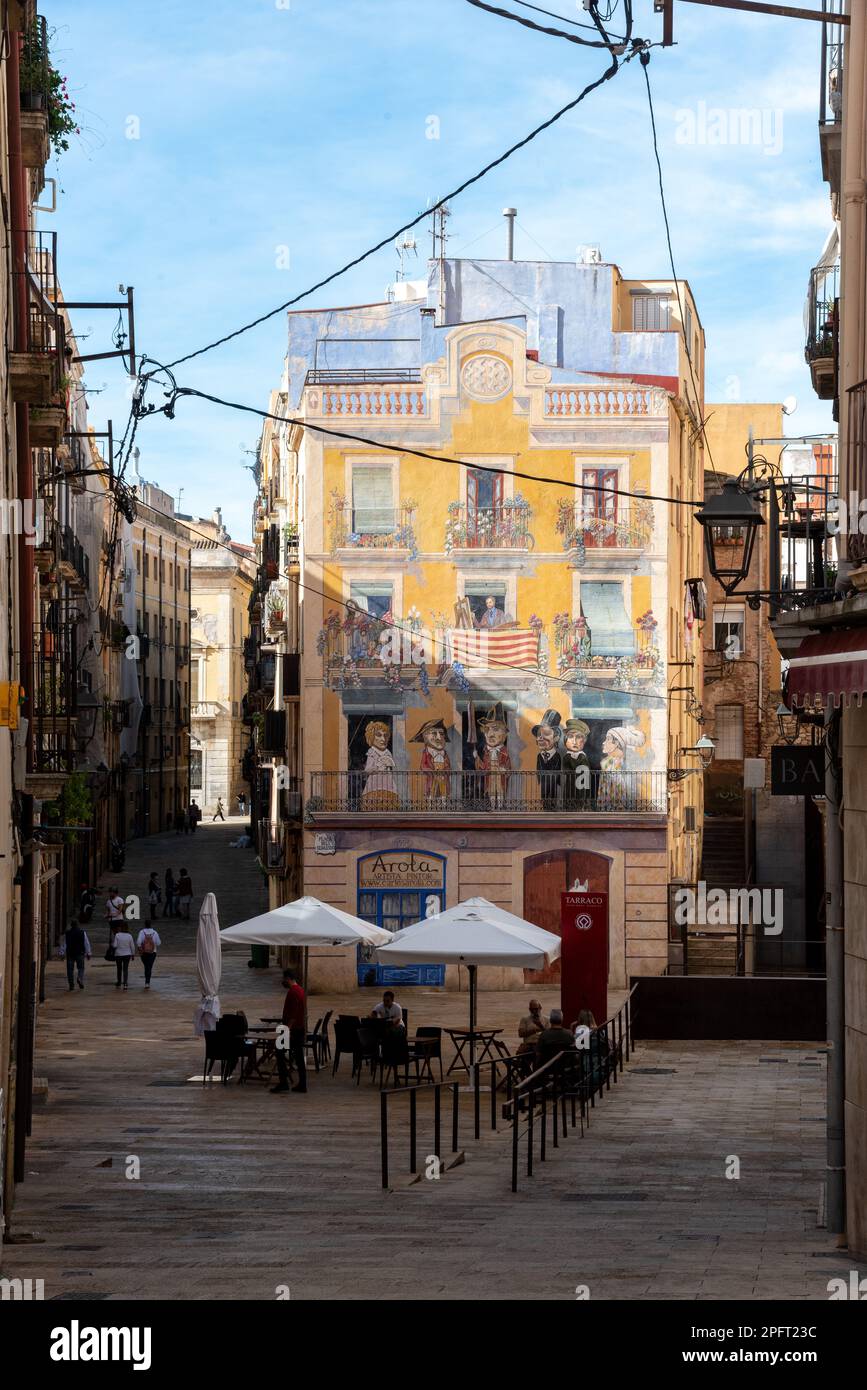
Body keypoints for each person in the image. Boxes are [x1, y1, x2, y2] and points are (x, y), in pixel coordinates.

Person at [270, 968, 307, 1094]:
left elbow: (293, 1014)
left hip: (292, 1030)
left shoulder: (293, 992)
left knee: (279, 1052)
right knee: (299, 1057)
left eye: (284, 979)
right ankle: (302, 1083)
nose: (283, 981)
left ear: (288, 978)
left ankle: (283, 1082)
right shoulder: (301, 990)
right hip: (299, 1029)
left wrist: (288, 1030)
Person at [533, 709, 563, 810]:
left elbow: (558, 771)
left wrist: (556, 780)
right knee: (544, 796)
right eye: (538, 735)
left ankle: (552, 807)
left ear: (556, 738)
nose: (540, 738)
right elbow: (538, 769)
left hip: (553, 783)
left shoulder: (557, 755)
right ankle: (545, 807)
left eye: (546, 734)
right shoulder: (539, 756)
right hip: (544, 783)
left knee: (553, 795)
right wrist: (539, 778)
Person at [561, 718, 591, 810]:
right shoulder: (567, 757)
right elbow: (565, 770)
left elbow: (585, 775)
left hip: (581, 789)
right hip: (569, 787)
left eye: (578, 737)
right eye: (570, 736)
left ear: (584, 740)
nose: (574, 741)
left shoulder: (583, 757)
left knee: (579, 805)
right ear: (565, 740)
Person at [62, 918, 92, 991]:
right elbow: (86, 943)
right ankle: (79, 978)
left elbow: (64, 944)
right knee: (81, 968)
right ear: (78, 925)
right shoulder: (82, 932)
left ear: (71, 925)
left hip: (70, 953)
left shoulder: (67, 933)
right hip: (80, 953)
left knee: (70, 970)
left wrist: (62, 952)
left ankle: (71, 985)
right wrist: (88, 953)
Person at [136, 924, 161, 989]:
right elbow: (158, 943)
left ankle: (147, 982)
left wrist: (140, 949)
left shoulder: (142, 932)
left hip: (144, 952)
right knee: (149, 967)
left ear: (145, 925)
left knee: (146, 966)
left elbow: (138, 942)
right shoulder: (155, 932)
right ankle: (147, 983)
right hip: (153, 952)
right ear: (151, 925)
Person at [112, 926, 136, 991]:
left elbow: (115, 945)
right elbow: (132, 946)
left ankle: (119, 982)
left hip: (118, 954)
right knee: (125, 969)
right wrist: (133, 954)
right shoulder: (129, 936)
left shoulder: (117, 935)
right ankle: (125, 983)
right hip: (127, 954)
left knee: (119, 968)